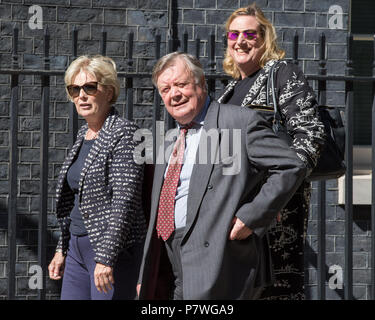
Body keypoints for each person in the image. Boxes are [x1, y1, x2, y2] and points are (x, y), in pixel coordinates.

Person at [136, 52, 307, 300]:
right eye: (165, 89)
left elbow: (290, 166)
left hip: (217, 258)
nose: (174, 94)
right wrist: (146, 275)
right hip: (169, 260)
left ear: (201, 83)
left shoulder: (238, 122)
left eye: (181, 84)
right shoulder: (170, 140)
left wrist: (251, 217)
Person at [217, 3, 326, 300]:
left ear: (265, 39)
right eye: (233, 34)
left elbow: (310, 137)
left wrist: (272, 200)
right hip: (234, 213)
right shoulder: (228, 92)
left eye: (250, 33)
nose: (240, 40)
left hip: (274, 215)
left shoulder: (281, 74)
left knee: (276, 291)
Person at [48, 55, 147, 300]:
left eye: (89, 87)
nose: (81, 95)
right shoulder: (84, 134)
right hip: (76, 250)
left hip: (110, 251)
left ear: (109, 91)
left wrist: (106, 257)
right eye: (74, 89)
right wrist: (62, 248)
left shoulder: (125, 133)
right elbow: (76, 200)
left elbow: (124, 201)